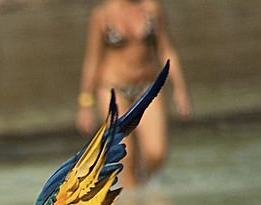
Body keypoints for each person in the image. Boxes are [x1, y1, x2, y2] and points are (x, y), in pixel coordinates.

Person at [76, 0, 192, 186]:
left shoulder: (151, 9)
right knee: (125, 159)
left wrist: (180, 89)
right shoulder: (102, 14)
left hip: (147, 87)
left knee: (157, 153)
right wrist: (85, 103)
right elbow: (92, 60)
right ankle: (135, 204)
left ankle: (146, 188)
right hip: (112, 90)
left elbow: (166, 50)